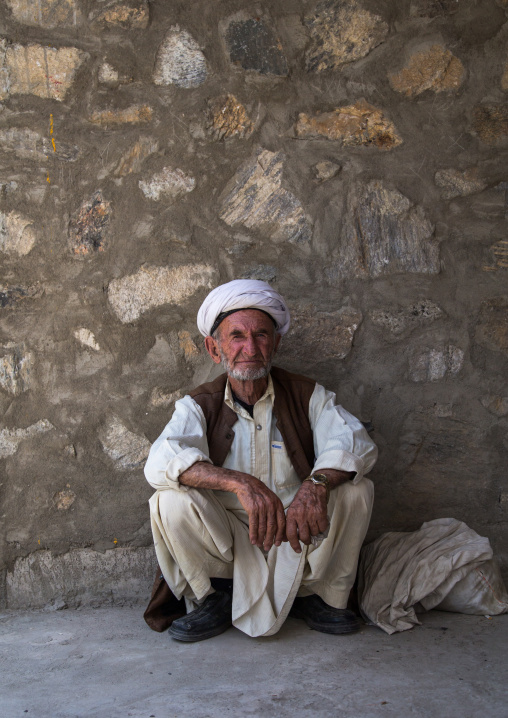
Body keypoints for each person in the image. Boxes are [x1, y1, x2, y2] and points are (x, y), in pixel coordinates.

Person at [144, 279, 377, 642]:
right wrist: (239, 483)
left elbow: (354, 441)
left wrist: (316, 485)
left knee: (357, 489)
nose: (249, 348)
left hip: (295, 529)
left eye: (261, 336)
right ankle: (214, 597)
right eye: (236, 336)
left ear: (276, 343)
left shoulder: (307, 394)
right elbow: (161, 458)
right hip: (228, 536)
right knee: (167, 498)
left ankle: (319, 597)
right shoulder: (199, 404)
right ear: (214, 348)